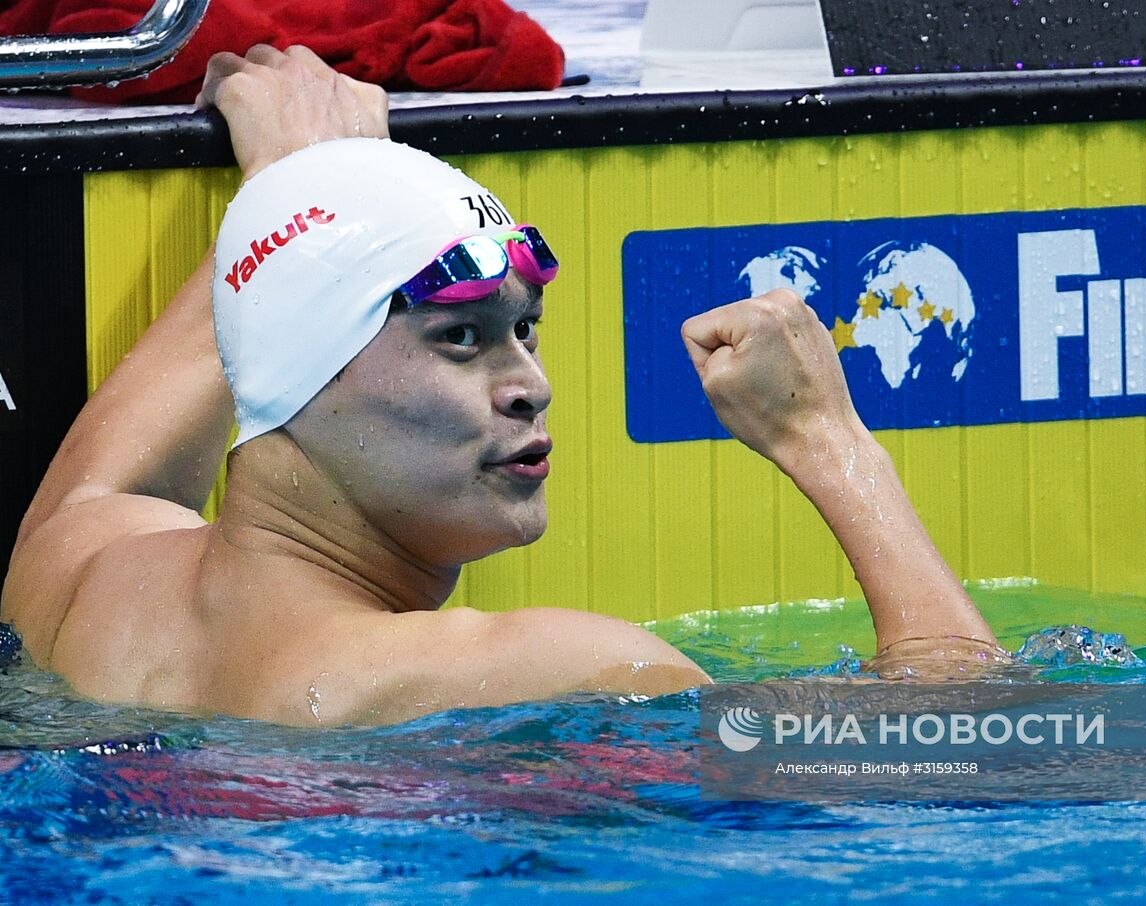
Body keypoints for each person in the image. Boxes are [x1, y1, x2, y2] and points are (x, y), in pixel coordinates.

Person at [0, 47, 999, 727]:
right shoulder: (549, 672)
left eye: (523, 330)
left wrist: (297, 192)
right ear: (298, 374)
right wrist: (829, 444)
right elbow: (983, 764)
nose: (530, 385)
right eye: (460, 340)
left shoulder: (77, 577)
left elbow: (116, 469)